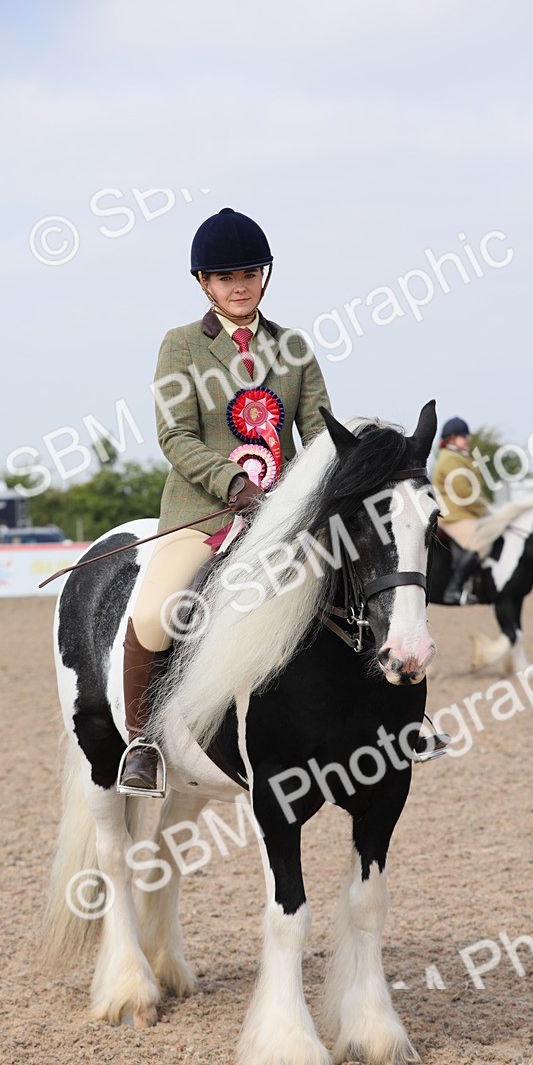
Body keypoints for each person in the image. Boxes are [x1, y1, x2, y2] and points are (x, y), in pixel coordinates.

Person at [121, 207, 332, 794]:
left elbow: (319, 435)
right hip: (204, 514)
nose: (239, 287)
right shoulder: (182, 346)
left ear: (264, 276)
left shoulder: (293, 346)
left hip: (285, 514)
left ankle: (393, 715)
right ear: (204, 284)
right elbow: (175, 436)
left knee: (362, 577)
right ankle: (141, 742)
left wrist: (322, 488)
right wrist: (235, 485)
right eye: (225, 278)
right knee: (157, 610)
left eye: (249, 274)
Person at [432, 417, 487, 605]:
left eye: (466, 436)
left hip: (464, 513)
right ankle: (453, 590)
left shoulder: (461, 457)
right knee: (479, 543)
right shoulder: (450, 459)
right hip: (453, 515)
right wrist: (485, 510)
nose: (467, 439)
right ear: (451, 439)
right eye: (462, 436)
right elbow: (464, 491)